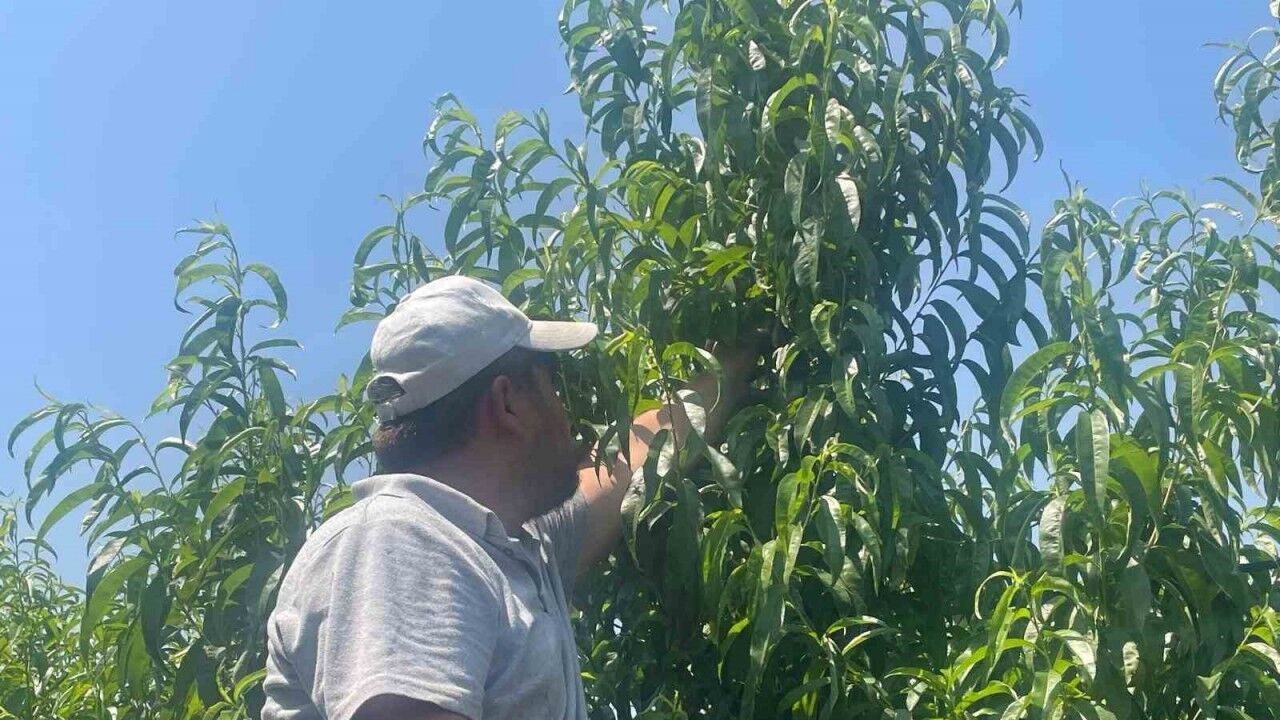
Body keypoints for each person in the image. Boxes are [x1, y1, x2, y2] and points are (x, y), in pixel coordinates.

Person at [261, 275, 753, 720]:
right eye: (552, 386)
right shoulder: (402, 543)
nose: (567, 413)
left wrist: (734, 363)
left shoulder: (509, 552)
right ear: (508, 401)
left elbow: (634, 460)